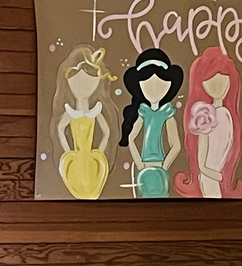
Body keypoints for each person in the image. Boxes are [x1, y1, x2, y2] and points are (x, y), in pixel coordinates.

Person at [179, 46, 242, 198]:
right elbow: (202, 161)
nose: (218, 85)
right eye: (211, 80)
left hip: (218, 176)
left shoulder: (227, 114)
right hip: (210, 177)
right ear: (202, 84)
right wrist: (214, 174)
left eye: (223, 79)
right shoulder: (206, 116)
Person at [119, 47, 183, 198]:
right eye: (147, 84)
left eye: (161, 84)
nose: (154, 90)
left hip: (160, 165)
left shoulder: (167, 113)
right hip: (143, 169)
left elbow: (176, 146)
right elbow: (131, 138)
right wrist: (140, 164)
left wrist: (164, 167)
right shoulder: (143, 112)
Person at [55, 45, 111, 200]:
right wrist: (68, 151)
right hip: (77, 158)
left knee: (91, 185)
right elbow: (60, 129)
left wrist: (99, 150)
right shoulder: (71, 113)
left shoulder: (95, 112)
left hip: (90, 158)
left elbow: (107, 132)